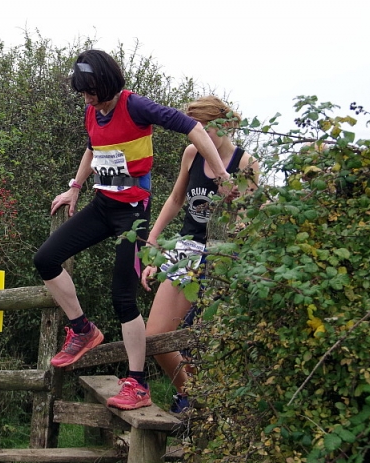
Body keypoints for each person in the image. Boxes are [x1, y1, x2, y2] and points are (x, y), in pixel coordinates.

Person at [33, 50, 233, 410]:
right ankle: (83, 329)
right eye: (82, 93)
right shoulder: (93, 111)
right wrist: (75, 187)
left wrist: (220, 173)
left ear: (106, 83)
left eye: (90, 92)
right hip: (103, 206)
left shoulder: (136, 106)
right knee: (45, 259)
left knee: (122, 298)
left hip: (133, 214)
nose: (86, 99)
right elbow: (93, 149)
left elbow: (194, 129)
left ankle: (138, 384)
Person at [142, 95, 259, 414]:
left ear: (225, 124)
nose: (200, 137)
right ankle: (194, 396)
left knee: (200, 340)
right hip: (186, 249)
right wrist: (153, 239)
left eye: (206, 129)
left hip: (222, 256)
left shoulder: (246, 163)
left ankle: (200, 405)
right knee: (156, 337)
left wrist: (233, 203)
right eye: (195, 130)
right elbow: (176, 198)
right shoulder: (192, 153)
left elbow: (248, 219)